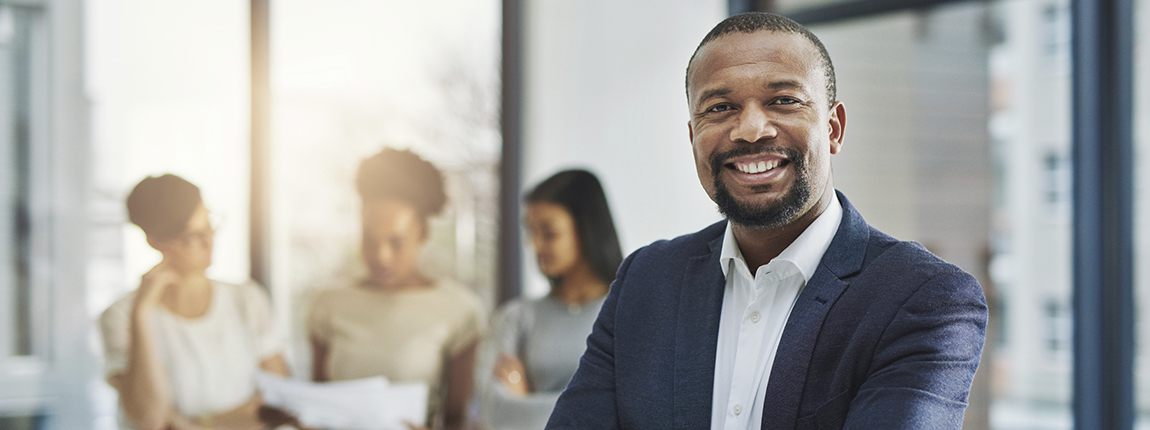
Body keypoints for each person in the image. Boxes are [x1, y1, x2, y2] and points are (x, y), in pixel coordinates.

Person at [546, 12, 988, 430]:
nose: (751, 129)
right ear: (693, 137)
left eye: (783, 100)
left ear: (833, 129)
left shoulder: (926, 298)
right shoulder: (646, 281)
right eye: (720, 108)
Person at [307, 148, 486, 430]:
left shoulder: (459, 310)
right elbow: (315, 406)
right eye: (369, 239)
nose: (381, 256)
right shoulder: (328, 305)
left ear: (423, 234)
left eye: (396, 242)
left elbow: (458, 420)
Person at [99, 174, 290, 430]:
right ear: (156, 241)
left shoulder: (246, 299)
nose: (208, 241)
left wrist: (192, 424)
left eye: (209, 226)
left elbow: (279, 401)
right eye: (192, 236)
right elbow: (150, 418)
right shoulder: (122, 315)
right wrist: (142, 314)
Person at [475, 169, 623, 430]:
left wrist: (524, 403)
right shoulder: (516, 318)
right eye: (531, 232)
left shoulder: (629, 310)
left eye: (549, 232)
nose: (535, 245)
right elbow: (492, 414)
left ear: (586, 229)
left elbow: (627, 409)